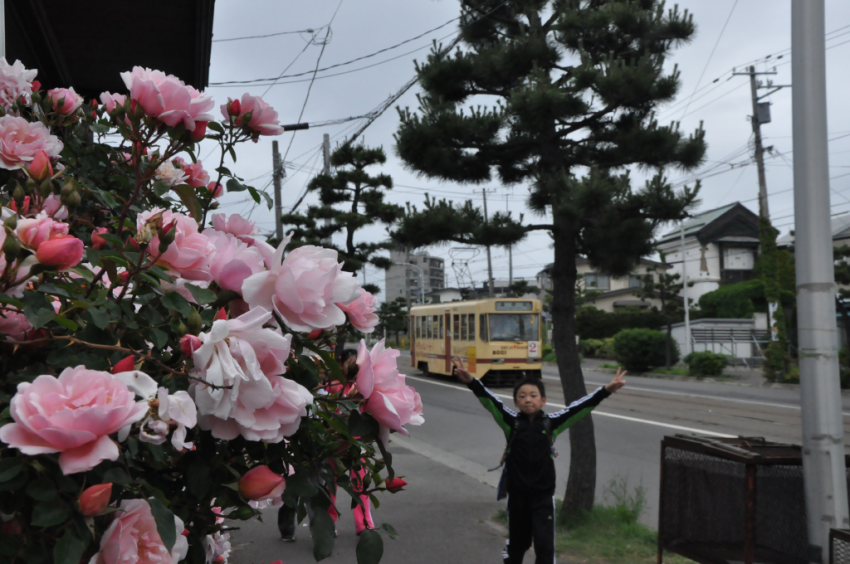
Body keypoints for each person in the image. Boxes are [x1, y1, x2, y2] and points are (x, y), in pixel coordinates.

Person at [451, 357, 626, 564]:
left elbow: (579, 409)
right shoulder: (511, 423)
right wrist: (472, 381)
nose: (527, 399)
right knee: (517, 545)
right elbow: (491, 402)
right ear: (516, 402)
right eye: (522, 396)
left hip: (543, 497)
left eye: (533, 395)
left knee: (544, 546)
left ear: (543, 400)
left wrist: (606, 390)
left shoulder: (552, 424)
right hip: (517, 496)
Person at [278, 349, 373, 541]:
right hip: (333, 443)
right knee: (329, 487)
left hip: (356, 443)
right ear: (341, 366)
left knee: (361, 484)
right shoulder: (331, 387)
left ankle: (364, 525)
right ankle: (329, 525)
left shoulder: (363, 386)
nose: (355, 366)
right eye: (351, 362)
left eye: (358, 362)